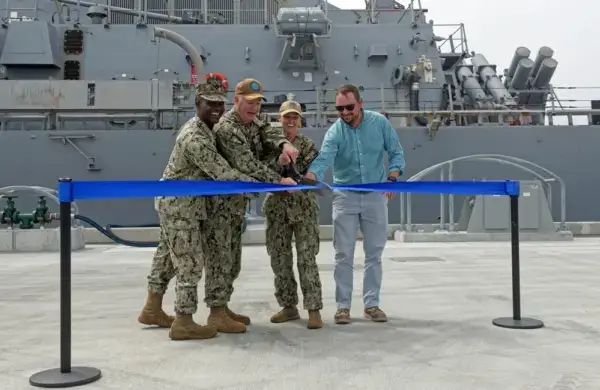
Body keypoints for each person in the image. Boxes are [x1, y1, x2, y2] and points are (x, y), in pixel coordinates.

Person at [138, 74, 262, 340]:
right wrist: (263, 186)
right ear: (197, 103)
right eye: (210, 104)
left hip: (183, 205)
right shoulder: (195, 136)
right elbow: (222, 173)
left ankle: (152, 308)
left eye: (220, 104)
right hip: (180, 207)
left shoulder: (207, 128)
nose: (217, 109)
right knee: (190, 263)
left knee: (167, 258)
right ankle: (184, 321)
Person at [305, 84, 405, 325]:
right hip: (345, 197)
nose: (344, 112)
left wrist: (392, 178)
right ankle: (343, 307)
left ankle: (372, 305)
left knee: (374, 254)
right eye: (340, 108)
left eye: (349, 107)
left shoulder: (380, 123)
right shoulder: (335, 132)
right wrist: (312, 175)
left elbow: (396, 152)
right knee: (343, 254)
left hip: (375, 195)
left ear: (360, 104)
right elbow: (324, 158)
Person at [211, 78, 299, 328]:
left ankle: (223, 307)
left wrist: (284, 143)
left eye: (258, 103)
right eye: (249, 103)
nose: (254, 108)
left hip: (236, 206)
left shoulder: (253, 120)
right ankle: (216, 313)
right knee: (220, 259)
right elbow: (246, 164)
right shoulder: (228, 128)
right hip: (220, 205)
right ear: (236, 100)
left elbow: (269, 130)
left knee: (233, 261)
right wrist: (278, 180)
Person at [262, 100, 324, 330]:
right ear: (280, 117)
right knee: (280, 258)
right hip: (277, 209)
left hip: (303, 208)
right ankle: (288, 306)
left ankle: (314, 308)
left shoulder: (307, 144)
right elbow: (262, 171)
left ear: (299, 120)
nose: (290, 120)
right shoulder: (269, 146)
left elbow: (306, 173)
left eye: (294, 117)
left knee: (307, 257)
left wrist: (290, 165)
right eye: (287, 116)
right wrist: (278, 163)